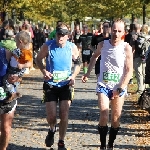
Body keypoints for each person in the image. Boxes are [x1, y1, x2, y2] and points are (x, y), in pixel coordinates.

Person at [82, 19, 133, 149]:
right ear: (110, 30)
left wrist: (121, 87)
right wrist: (88, 73)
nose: (116, 33)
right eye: (114, 30)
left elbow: (129, 70)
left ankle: (110, 144)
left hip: (119, 86)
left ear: (124, 32)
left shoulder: (126, 47)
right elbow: (94, 57)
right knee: (104, 113)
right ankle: (103, 144)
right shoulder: (103, 45)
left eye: (119, 31)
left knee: (116, 118)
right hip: (103, 84)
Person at [36, 22, 81, 149]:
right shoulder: (48, 46)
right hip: (51, 84)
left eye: (63, 34)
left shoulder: (72, 47)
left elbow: (78, 63)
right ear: (55, 34)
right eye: (59, 34)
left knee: (64, 114)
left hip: (66, 85)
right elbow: (38, 59)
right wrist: (44, 71)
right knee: (51, 116)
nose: (60, 37)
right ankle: (51, 129)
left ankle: (61, 141)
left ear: (68, 36)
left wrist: (73, 76)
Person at [0, 40, 22, 150]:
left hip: (8, 98)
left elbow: (20, 74)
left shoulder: (16, 58)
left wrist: (17, 78)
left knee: (6, 128)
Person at [2, 31, 32, 102]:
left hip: (16, 70)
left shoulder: (26, 52)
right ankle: (12, 93)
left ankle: (12, 93)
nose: (15, 43)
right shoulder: (18, 50)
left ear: (20, 42)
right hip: (13, 69)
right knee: (11, 81)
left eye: (16, 41)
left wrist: (22, 65)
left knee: (6, 80)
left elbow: (29, 63)